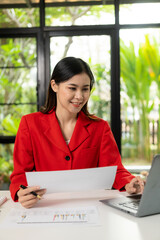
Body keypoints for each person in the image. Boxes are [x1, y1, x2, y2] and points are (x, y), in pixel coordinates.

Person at [10, 57, 144, 208]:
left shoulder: (100, 127)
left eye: (85, 89)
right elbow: (20, 175)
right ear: (54, 85)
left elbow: (116, 170)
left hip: (90, 208)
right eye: (72, 88)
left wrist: (129, 182)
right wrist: (20, 192)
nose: (79, 96)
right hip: (46, 208)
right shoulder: (30, 124)